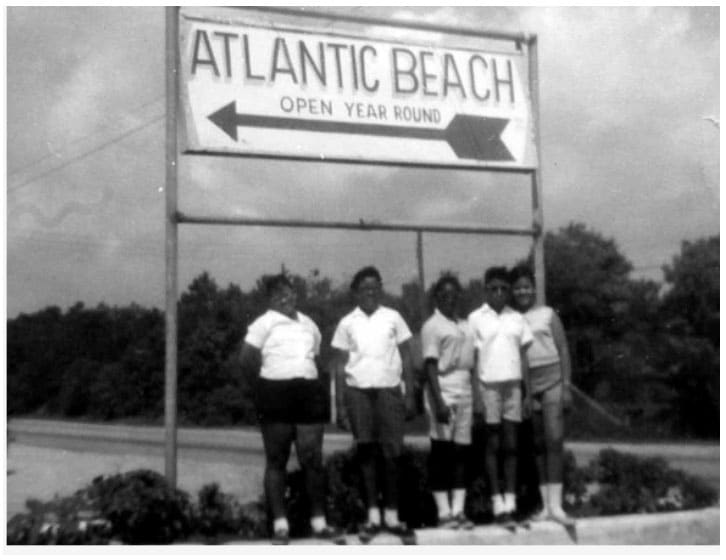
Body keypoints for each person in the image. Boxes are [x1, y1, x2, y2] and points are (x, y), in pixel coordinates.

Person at [239, 274, 343, 545]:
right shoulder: (263, 323)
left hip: (307, 392)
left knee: (312, 458)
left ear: (296, 294)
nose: (285, 297)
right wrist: (261, 388)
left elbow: (315, 357)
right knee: (277, 460)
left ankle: (319, 523)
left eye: (289, 292)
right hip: (274, 393)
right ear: (270, 300)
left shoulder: (310, 324)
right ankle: (280, 525)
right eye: (278, 294)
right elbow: (247, 359)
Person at [331, 266, 417, 543]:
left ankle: (392, 516)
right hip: (358, 394)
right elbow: (340, 366)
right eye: (364, 288)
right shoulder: (347, 323)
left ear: (380, 289)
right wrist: (341, 406)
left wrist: (411, 393)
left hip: (389, 392)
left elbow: (406, 354)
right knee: (366, 452)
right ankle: (373, 516)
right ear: (356, 292)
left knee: (392, 453)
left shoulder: (393, 317)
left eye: (374, 287)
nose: (370, 292)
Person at [510, 265, 575, 526]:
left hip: (553, 380)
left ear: (534, 288)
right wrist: (525, 393)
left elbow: (562, 348)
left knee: (554, 439)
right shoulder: (512, 318)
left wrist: (567, 385)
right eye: (518, 288)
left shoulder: (548, 314)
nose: (522, 291)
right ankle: (545, 505)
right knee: (537, 445)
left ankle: (557, 506)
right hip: (529, 384)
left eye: (526, 286)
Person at [468, 266, 533, 525]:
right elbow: (472, 360)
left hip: (513, 387)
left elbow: (525, 358)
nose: (498, 293)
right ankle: (497, 504)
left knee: (512, 445)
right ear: (486, 290)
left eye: (503, 289)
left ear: (508, 292)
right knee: (492, 445)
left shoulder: (517, 318)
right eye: (493, 288)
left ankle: (511, 502)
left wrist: (527, 393)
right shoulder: (475, 319)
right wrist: (476, 395)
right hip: (488, 387)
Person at [421, 274, 477, 530]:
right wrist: (439, 402)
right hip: (442, 389)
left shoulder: (465, 325)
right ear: (436, 297)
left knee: (461, 453)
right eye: (444, 294)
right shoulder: (432, 325)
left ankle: (458, 511)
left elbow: (471, 364)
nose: (449, 298)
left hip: (464, 387)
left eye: (453, 294)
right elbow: (430, 367)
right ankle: (443, 512)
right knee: (441, 452)